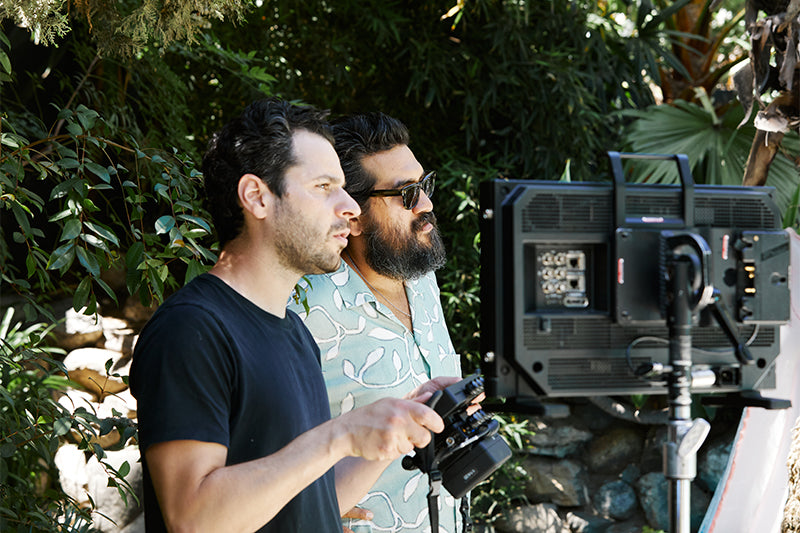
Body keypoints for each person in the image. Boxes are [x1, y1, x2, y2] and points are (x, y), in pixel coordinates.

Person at [129, 98, 456, 533]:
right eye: (324, 187)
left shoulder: (294, 334)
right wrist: (339, 434)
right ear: (256, 197)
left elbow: (305, 499)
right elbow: (192, 519)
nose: (351, 207)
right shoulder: (192, 329)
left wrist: (400, 420)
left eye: (344, 188)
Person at [288, 112, 466, 533]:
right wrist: (311, 509)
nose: (426, 205)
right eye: (406, 194)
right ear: (354, 215)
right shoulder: (302, 308)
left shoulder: (422, 279)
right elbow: (267, 453)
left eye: (424, 186)